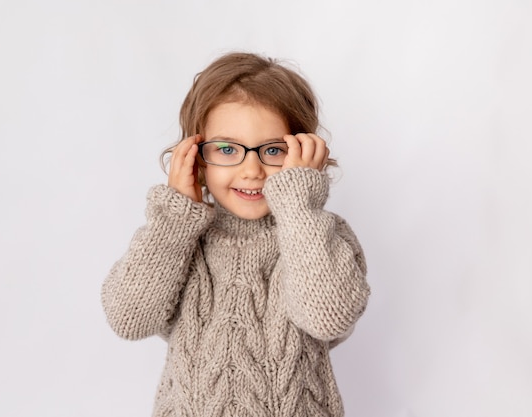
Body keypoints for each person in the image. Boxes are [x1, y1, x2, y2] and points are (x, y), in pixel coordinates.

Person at [102, 51, 371, 417]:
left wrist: (297, 203)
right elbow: (130, 319)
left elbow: (329, 317)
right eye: (227, 149)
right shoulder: (179, 238)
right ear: (195, 155)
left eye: (273, 150)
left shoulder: (319, 234)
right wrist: (175, 219)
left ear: (305, 151)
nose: (252, 170)